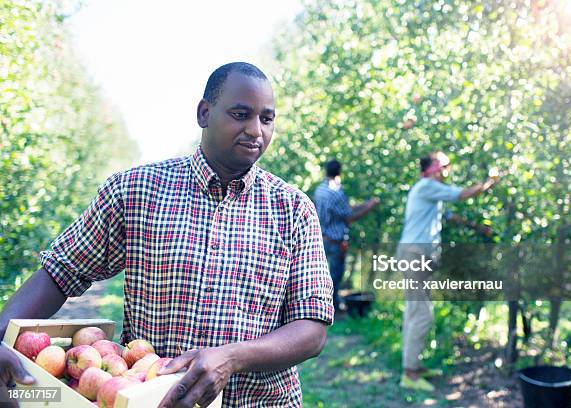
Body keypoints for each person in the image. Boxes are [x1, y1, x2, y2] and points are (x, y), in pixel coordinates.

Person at [0, 62, 334, 407]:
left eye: (266, 119)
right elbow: (61, 272)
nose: (255, 130)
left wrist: (233, 357)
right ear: (204, 113)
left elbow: (311, 328)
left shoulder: (293, 209)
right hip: (152, 399)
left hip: (260, 401)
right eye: (240, 114)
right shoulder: (136, 191)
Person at [398, 151, 499, 392]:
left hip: (416, 257)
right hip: (414, 257)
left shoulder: (431, 194)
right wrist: (490, 183)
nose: (447, 168)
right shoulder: (426, 186)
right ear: (430, 168)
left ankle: (412, 367)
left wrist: (477, 227)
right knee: (422, 315)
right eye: (443, 164)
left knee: (414, 313)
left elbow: (451, 216)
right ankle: (409, 374)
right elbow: (462, 194)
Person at [314, 160, 379, 311]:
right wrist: (370, 207)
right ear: (340, 172)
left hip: (322, 239)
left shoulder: (321, 190)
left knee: (322, 275)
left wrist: (365, 203)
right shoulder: (337, 191)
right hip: (336, 242)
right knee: (335, 276)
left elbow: (342, 209)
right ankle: (333, 308)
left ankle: (323, 306)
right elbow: (349, 216)